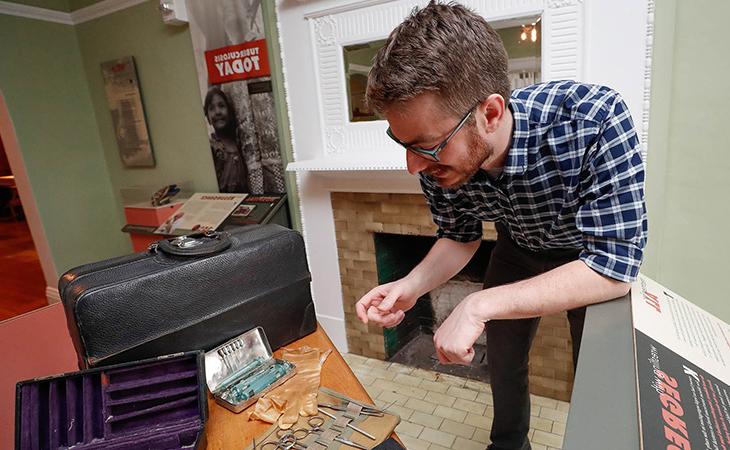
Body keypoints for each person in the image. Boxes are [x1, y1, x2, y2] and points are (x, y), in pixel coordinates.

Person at [355, 3, 647, 450]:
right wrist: (410, 285)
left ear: (490, 114)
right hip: (517, 247)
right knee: (505, 362)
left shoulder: (593, 120)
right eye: (403, 143)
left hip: (586, 260)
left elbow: (614, 266)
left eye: (427, 146)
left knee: (599, 377)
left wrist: (477, 306)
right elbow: (459, 235)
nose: (413, 165)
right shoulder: (440, 162)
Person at [204, 86, 264, 193]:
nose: (217, 112)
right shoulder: (212, 147)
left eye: (221, 106)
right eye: (211, 108)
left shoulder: (240, 142)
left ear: (230, 111)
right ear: (208, 118)